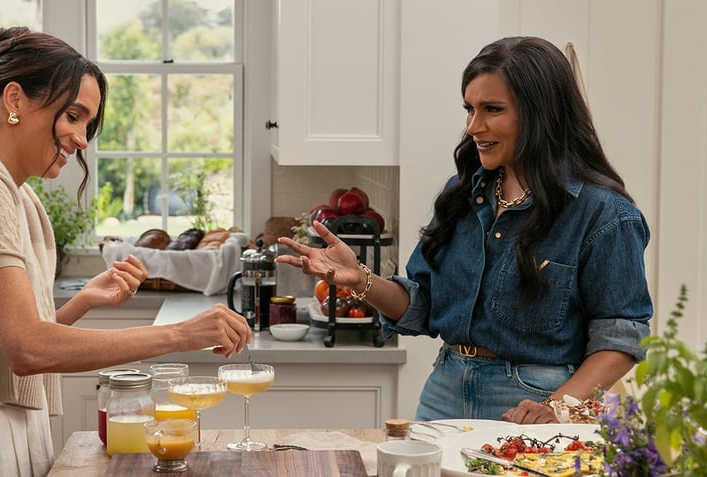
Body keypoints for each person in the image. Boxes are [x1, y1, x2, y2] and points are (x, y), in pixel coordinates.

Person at [0, 26, 251, 476]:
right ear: (14, 100)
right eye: (73, 116)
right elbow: (27, 348)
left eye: (87, 124)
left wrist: (82, 301)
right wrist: (182, 336)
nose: (81, 139)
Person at [277, 36, 652, 425]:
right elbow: (423, 306)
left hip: (535, 401)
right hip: (445, 389)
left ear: (541, 114)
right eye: (470, 109)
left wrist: (557, 408)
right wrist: (360, 279)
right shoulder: (461, 195)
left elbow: (621, 338)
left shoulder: (604, 213)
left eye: (492, 109)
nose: (474, 126)